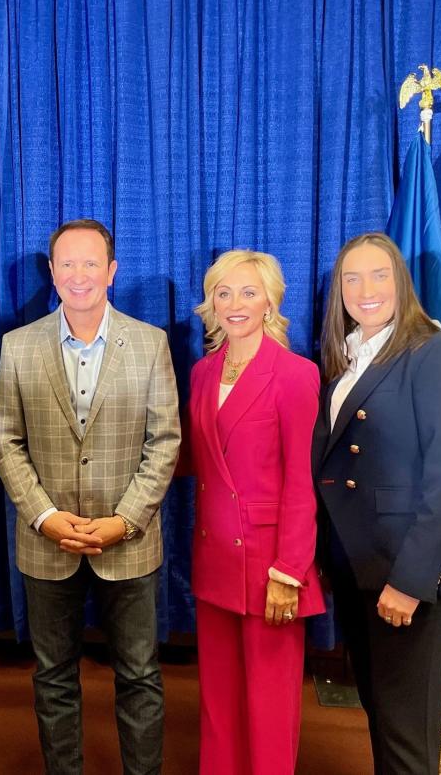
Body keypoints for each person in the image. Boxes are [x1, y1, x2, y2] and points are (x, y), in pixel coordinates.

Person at [0, 218, 180, 775]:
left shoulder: (150, 344)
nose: (79, 275)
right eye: (67, 264)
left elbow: (165, 442)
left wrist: (125, 521)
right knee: (53, 677)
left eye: (90, 263)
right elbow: (6, 442)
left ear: (112, 270)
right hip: (46, 543)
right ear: (52, 273)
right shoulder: (17, 346)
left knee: (140, 675)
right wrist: (45, 517)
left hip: (130, 542)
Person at [313, 232, 441, 775]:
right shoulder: (349, 356)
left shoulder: (436, 351)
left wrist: (410, 582)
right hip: (362, 566)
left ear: (401, 283)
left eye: (378, 275)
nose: (365, 289)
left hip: (408, 571)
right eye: (351, 278)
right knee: (383, 714)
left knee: (407, 733)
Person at [184, 249, 324, 775]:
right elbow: (193, 458)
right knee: (218, 705)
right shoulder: (201, 373)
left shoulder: (294, 374)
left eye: (248, 292)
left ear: (270, 301)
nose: (235, 303)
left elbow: (301, 482)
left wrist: (289, 571)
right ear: (211, 303)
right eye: (224, 292)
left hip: (271, 566)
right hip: (214, 558)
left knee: (270, 705)